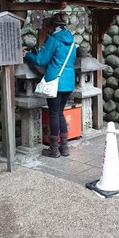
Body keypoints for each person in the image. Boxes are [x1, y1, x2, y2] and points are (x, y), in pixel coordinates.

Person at [24, 12, 76, 158]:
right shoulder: (71, 41)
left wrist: (26, 55)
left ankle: (54, 150)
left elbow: (41, 60)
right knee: (60, 113)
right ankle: (64, 148)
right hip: (68, 82)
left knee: (54, 114)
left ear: (52, 27)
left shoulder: (53, 39)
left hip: (55, 81)